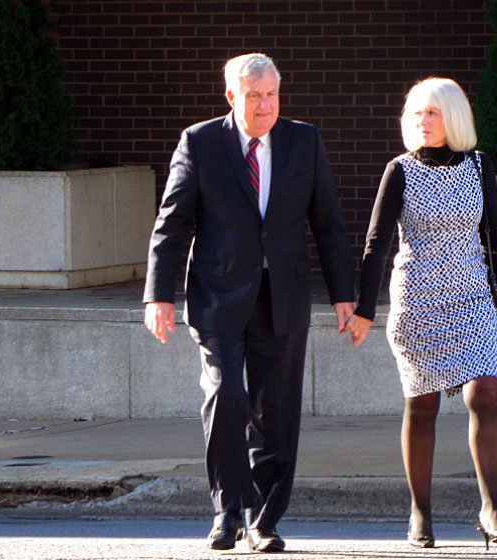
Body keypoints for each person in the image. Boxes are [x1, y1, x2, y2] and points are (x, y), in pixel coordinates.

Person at [143, 53, 355, 553]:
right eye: (254, 96)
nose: (265, 105)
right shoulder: (200, 142)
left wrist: (344, 293)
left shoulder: (304, 140)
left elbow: (328, 222)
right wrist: (158, 294)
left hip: (282, 294)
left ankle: (265, 519)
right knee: (226, 397)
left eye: (272, 95)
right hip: (217, 295)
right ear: (231, 97)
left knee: (275, 411)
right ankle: (227, 511)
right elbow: (172, 222)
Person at [345, 77, 497, 550]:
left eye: (433, 113)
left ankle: (492, 509)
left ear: (454, 117)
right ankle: (420, 513)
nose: (423, 122)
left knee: (485, 392)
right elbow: (376, 243)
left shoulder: (478, 167)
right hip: (418, 302)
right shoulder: (399, 170)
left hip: (472, 299)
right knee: (422, 404)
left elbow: (495, 239)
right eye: (417, 114)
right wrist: (364, 309)